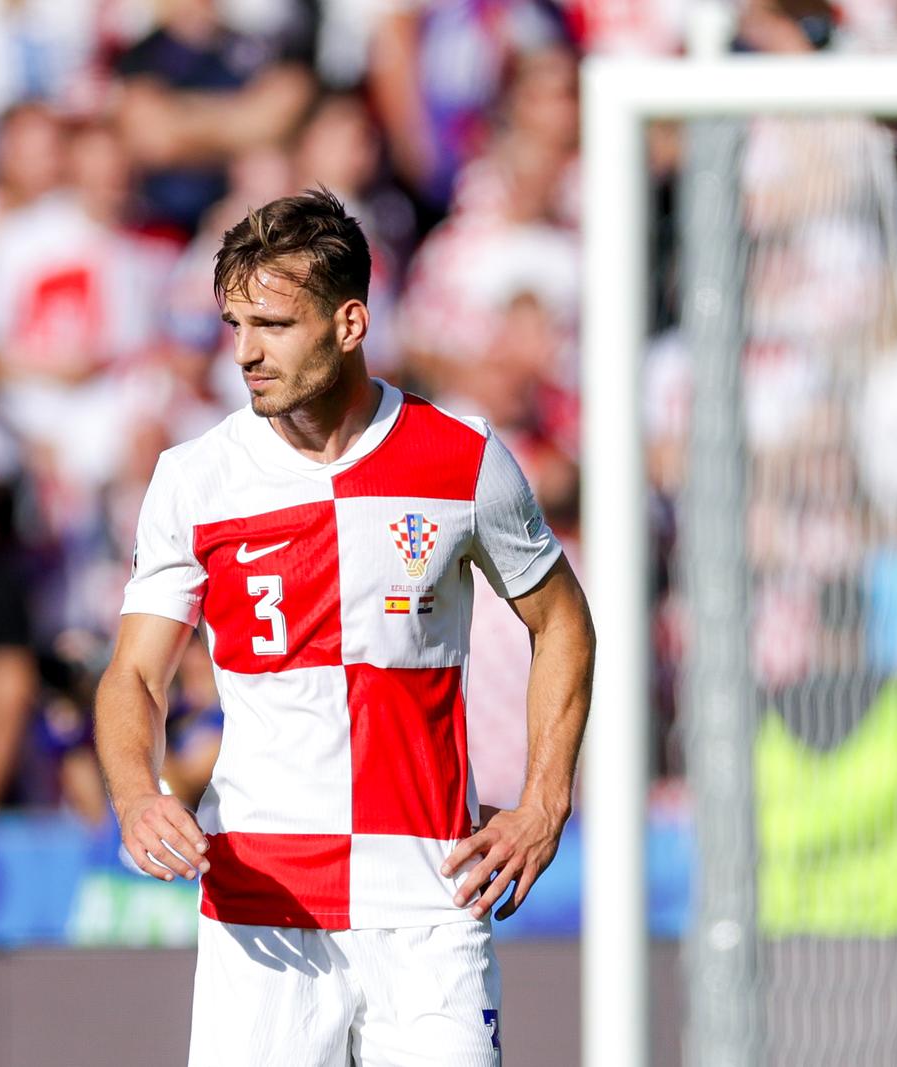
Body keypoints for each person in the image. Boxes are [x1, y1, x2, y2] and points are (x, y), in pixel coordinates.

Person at [95, 189, 595, 1065]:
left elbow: (561, 622)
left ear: (350, 322)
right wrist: (138, 793)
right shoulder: (195, 478)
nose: (246, 352)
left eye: (274, 324)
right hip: (265, 908)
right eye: (233, 323)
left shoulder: (463, 458)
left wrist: (545, 802)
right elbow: (137, 674)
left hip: (431, 902)